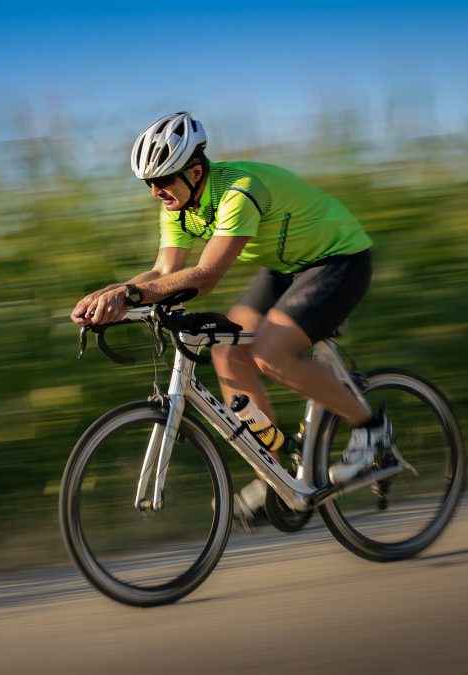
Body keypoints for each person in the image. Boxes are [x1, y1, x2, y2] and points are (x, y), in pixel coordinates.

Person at [70, 111, 391, 524]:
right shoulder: (178, 205)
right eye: (149, 183)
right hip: (286, 267)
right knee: (227, 350)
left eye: (163, 180)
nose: (155, 191)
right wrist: (109, 295)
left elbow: (205, 277)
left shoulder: (240, 190)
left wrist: (131, 294)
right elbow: (165, 273)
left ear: (196, 171)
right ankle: (273, 476)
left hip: (339, 260)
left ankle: (371, 428)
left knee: (270, 353)